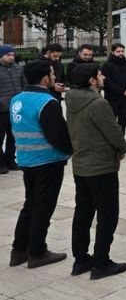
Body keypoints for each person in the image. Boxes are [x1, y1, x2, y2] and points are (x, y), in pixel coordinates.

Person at [65, 63, 126, 279]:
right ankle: (101, 262)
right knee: (107, 214)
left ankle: (81, 260)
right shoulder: (98, 103)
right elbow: (113, 132)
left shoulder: (71, 98)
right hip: (101, 166)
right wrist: (123, 148)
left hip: (81, 164)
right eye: (100, 75)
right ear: (92, 80)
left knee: (83, 212)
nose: (103, 77)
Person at [9, 60, 73, 269]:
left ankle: (19, 250)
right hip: (47, 161)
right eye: (52, 74)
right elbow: (57, 135)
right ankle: (37, 252)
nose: (54, 77)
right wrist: (69, 151)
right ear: (45, 78)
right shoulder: (47, 102)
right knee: (43, 207)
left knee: (30, 204)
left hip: (26, 160)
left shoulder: (17, 99)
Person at [0, 45, 26, 174]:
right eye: (8, 55)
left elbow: (24, 84)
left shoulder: (18, 68)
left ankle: (10, 160)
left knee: (13, 136)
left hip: (16, 109)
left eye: (13, 55)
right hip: (2, 110)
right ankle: (0, 163)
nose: (11, 57)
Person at [100, 43, 126, 135]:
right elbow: (108, 82)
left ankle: (121, 138)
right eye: (118, 51)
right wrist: (122, 91)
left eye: (122, 51)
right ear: (113, 52)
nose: (121, 53)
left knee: (123, 119)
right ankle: (111, 139)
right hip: (112, 98)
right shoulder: (107, 65)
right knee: (111, 120)